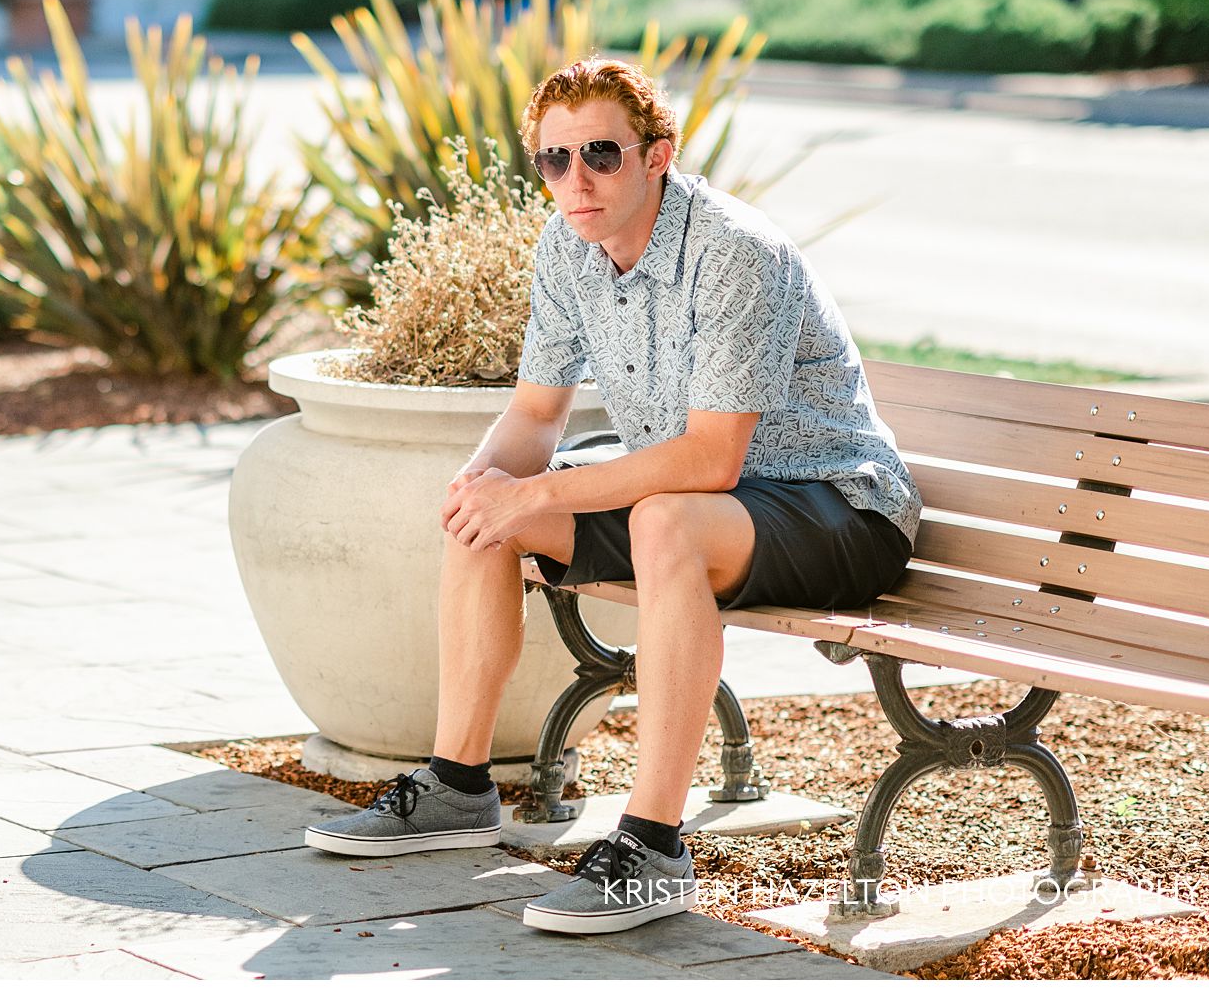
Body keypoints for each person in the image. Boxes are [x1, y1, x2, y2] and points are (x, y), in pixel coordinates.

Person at [303, 57, 923, 935]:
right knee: (493, 505)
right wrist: (487, 487)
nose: (577, 179)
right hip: (704, 506)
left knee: (659, 518)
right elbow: (534, 413)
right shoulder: (568, 245)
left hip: (837, 507)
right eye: (554, 160)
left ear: (657, 155)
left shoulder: (734, 251)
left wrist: (540, 492)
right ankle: (457, 783)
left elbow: (711, 458)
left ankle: (654, 847)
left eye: (600, 152)